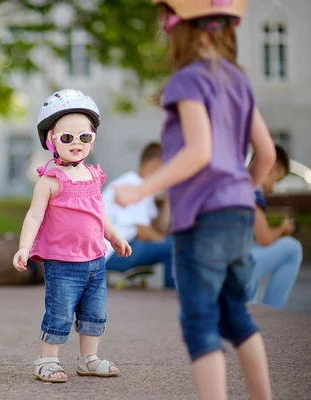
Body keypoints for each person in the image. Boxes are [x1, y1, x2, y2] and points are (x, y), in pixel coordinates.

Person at [114, 1, 277, 399]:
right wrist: (242, 193)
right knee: (238, 316)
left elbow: (199, 151)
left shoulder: (187, 80)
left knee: (200, 321)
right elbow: (268, 154)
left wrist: (141, 190)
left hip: (202, 219)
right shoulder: (238, 80)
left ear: (176, 25)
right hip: (238, 214)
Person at [12, 89, 132, 383]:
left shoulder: (92, 175)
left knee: (94, 314)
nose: (76, 144)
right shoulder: (49, 180)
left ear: (93, 138)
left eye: (84, 137)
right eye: (67, 138)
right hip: (63, 264)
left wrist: (114, 236)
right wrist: (24, 246)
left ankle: (88, 359)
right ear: (51, 139)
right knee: (60, 314)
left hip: (95, 260)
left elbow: (98, 213)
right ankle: (47, 359)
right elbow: (34, 216)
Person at [102, 142, 175, 288]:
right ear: (155, 166)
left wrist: (169, 198)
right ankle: (171, 296)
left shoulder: (143, 189)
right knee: (174, 247)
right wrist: (167, 242)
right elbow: (144, 232)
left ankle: (172, 291)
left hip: (122, 248)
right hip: (109, 254)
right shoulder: (132, 183)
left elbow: (159, 229)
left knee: (171, 244)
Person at [248, 144, 302, 309]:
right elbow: (264, 239)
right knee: (293, 248)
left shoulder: (234, 180)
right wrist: (283, 228)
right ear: (271, 168)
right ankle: (270, 314)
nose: (272, 189)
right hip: (224, 270)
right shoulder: (251, 185)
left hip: (202, 267)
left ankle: (248, 309)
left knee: (251, 247)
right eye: (276, 181)